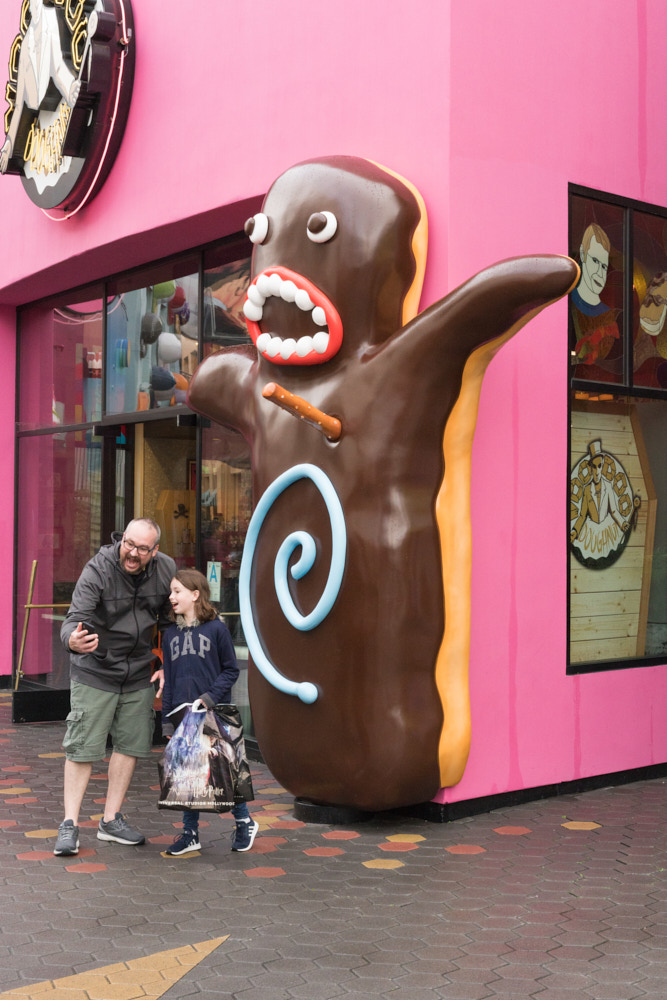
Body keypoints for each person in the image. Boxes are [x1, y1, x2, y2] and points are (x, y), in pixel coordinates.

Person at [54, 518, 175, 857]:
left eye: (141, 548)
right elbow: (74, 617)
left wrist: (170, 664)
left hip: (137, 672)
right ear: (121, 540)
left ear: (155, 550)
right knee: (82, 747)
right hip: (96, 669)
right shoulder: (99, 569)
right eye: (128, 544)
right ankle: (70, 824)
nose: (132, 553)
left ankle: (110, 820)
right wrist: (72, 641)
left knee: (131, 744)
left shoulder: (165, 570)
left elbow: (171, 623)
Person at [160, 569, 258, 856]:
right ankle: (190, 834)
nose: (171, 596)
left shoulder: (217, 630)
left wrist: (209, 697)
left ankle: (244, 822)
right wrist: (167, 722)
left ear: (195, 595)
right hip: (182, 715)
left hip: (213, 713)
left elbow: (231, 670)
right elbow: (169, 679)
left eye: (177, 591)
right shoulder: (169, 635)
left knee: (224, 770)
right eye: (171, 591)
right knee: (188, 775)